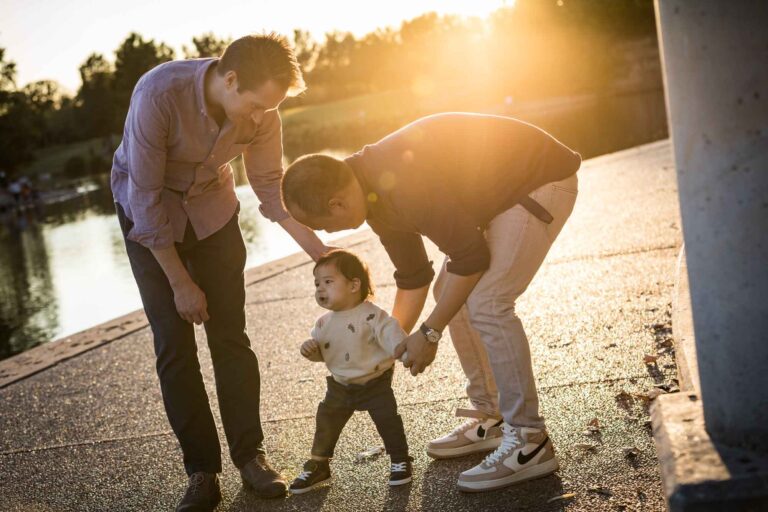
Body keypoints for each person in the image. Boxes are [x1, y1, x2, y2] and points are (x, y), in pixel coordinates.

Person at [281, 112, 580, 493]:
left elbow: (470, 258)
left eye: (323, 225)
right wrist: (387, 346)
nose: (328, 233)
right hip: (501, 194)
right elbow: (414, 277)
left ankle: (529, 439)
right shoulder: (371, 194)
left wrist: (430, 332)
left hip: (540, 180)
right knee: (448, 295)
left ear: (337, 204)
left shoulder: (400, 183)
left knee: (487, 303)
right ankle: (491, 415)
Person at [111, 34, 330, 511]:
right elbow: (146, 205)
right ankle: (201, 473)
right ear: (230, 80)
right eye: (254, 106)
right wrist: (181, 283)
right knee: (174, 343)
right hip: (148, 216)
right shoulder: (158, 95)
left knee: (230, 337)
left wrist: (321, 252)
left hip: (213, 210)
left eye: (268, 109)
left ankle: (250, 458)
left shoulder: (263, 111)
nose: (259, 118)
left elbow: (270, 191)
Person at [289, 249, 412, 494]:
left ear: (354, 285)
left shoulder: (372, 315)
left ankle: (400, 459)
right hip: (340, 385)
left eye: (328, 282)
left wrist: (406, 353)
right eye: (317, 284)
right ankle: (319, 465)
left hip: (375, 382)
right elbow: (322, 353)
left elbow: (391, 334)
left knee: (388, 420)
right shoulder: (323, 322)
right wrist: (310, 350)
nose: (320, 289)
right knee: (326, 422)